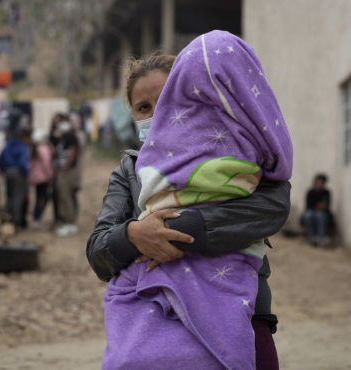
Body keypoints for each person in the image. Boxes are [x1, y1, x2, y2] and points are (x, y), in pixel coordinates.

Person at [87, 45, 291, 370]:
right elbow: (98, 251)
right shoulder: (129, 171)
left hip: (244, 310)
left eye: (166, 98)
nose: (156, 113)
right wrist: (134, 234)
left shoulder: (234, 150)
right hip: (157, 317)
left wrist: (186, 228)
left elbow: (273, 207)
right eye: (143, 107)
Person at [0, 126, 32, 230]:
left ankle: (6, 218)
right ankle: (16, 222)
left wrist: (5, 170)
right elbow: (23, 163)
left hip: (8, 173)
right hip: (18, 174)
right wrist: (26, 176)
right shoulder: (22, 147)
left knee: (10, 196)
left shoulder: (9, 144)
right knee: (18, 198)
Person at [53, 115, 81, 237]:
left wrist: (66, 168)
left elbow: (72, 153)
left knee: (66, 195)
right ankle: (66, 221)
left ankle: (70, 222)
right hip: (63, 170)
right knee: (63, 196)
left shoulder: (71, 137)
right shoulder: (62, 138)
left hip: (67, 171)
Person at [29, 130, 54, 228]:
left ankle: (35, 218)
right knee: (43, 199)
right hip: (43, 178)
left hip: (36, 178)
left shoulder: (33, 149)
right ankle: (36, 218)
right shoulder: (43, 149)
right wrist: (50, 176)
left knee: (39, 198)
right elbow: (46, 164)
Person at [303, 173, 331, 246]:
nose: (319, 184)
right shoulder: (310, 192)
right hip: (311, 211)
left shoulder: (326, 192)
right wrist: (317, 206)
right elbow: (308, 205)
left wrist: (322, 206)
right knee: (308, 215)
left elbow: (327, 205)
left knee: (320, 215)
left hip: (322, 213)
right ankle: (311, 238)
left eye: (321, 182)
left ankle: (321, 239)